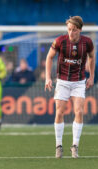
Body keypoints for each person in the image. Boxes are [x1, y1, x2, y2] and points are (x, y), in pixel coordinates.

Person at [45, 16, 95, 158]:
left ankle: (75, 146)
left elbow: (92, 57)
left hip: (79, 82)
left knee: (79, 111)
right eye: (69, 30)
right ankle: (58, 146)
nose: (71, 33)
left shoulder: (87, 42)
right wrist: (48, 78)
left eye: (74, 30)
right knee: (59, 112)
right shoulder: (60, 41)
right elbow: (49, 57)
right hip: (62, 81)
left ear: (79, 30)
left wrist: (91, 76)